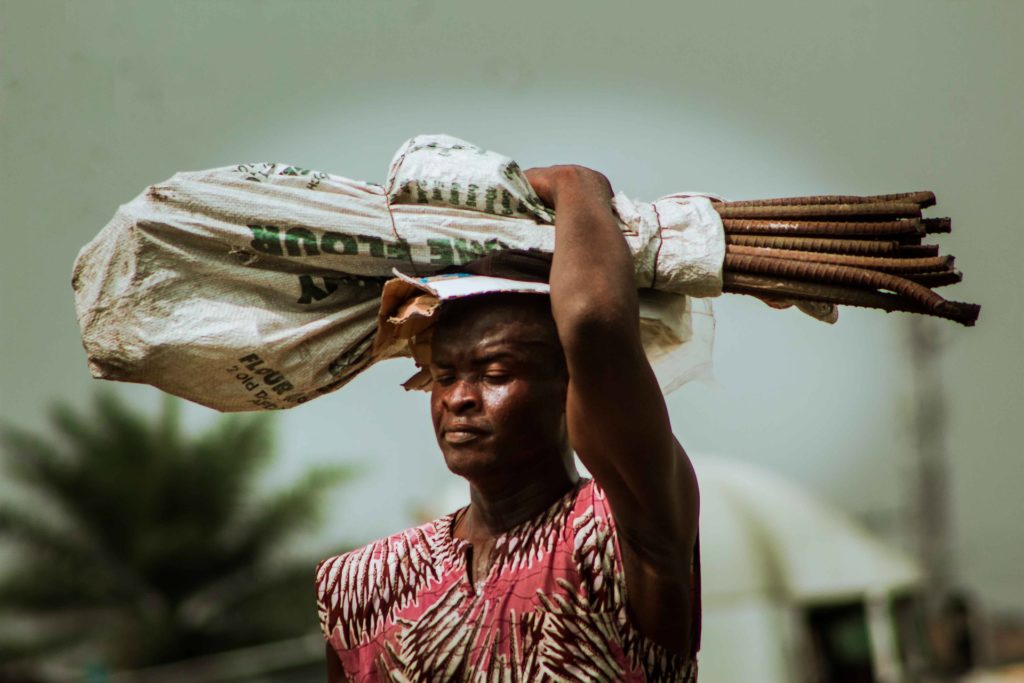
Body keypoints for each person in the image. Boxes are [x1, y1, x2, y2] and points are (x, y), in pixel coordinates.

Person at [315, 165, 701, 682]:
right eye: (443, 376)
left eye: (495, 373)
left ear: (569, 385)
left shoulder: (626, 529)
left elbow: (592, 325)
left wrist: (576, 185)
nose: (459, 399)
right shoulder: (360, 585)